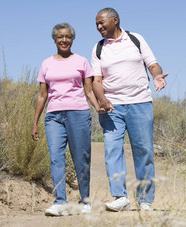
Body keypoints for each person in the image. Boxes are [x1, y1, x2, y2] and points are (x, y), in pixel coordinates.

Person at [91, 8, 168, 211]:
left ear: (115, 20)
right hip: (112, 107)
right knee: (112, 150)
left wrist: (157, 76)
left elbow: (153, 64)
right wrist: (102, 99)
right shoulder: (99, 48)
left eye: (102, 23)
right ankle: (120, 197)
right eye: (96, 24)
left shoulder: (136, 39)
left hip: (140, 103)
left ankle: (145, 200)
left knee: (144, 151)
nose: (99, 27)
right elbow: (97, 81)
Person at [32, 22, 102, 216]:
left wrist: (97, 107)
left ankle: (85, 201)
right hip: (53, 116)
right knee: (56, 158)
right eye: (60, 37)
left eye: (68, 36)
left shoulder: (81, 61)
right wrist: (35, 122)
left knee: (81, 158)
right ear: (54, 39)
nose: (64, 40)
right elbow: (42, 95)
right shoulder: (46, 63)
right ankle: (60, 202)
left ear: (72, 39)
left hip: (78, 113)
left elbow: (88, 90)